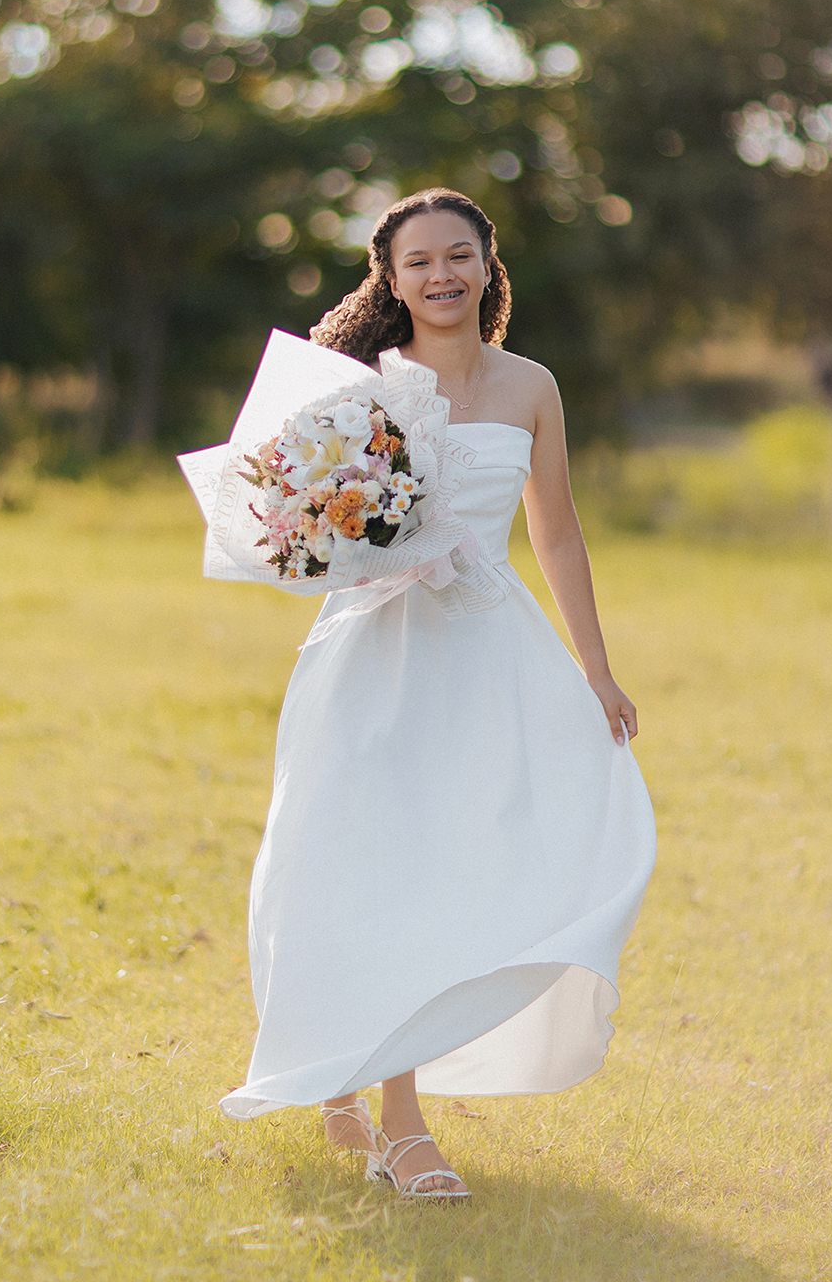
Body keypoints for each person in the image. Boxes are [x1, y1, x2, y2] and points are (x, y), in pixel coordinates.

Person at [217, 187, 656, 1200]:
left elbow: (556, 531)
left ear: (489, 267)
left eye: (459, 256)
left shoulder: (532, 385)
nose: (441, 275)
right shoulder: (361, 387)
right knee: (373, 869)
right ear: (392, 277)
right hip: (375, 652)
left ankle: (355, 1075)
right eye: (419, 262)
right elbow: (300, 519)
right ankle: (400, 1128)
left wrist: (596, 667)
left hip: (486, 651)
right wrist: (353, 544)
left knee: (465, 865)